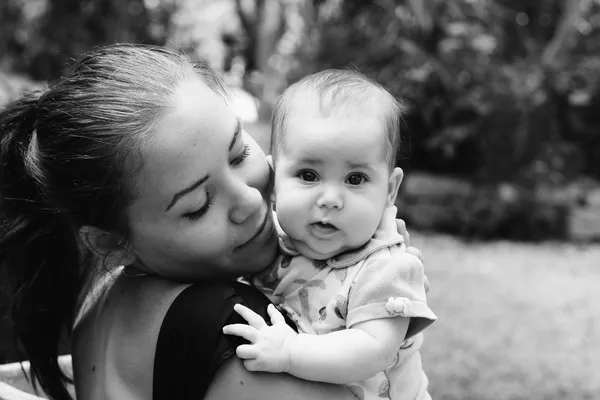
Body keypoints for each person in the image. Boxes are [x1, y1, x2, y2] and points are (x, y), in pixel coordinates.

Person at [0, 45, 421, 400]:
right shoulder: (241, 328)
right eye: (199, 205)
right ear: (111, 243)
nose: (251, 200)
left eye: (239, 154)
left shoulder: (95, 311)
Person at [223, 70, 436, 400]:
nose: (331, 199)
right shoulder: (268, 242)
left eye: (355, 179)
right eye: (309, 175)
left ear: (389, 190)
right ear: (274, 180)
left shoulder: (387, 268)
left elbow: (373, 348)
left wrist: (292, 352)